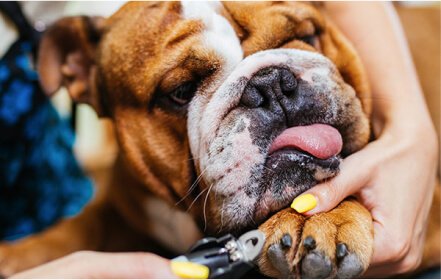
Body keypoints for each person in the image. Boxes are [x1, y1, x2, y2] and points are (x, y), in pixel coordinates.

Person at [10, 2, 438, 278]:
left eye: (301, 38)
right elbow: (114, 217)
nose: (275, 96)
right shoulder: (132, 189)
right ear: (80, 74)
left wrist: (408, 132)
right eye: (183, 90)